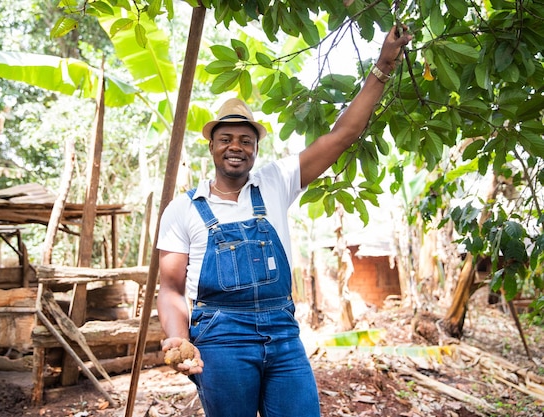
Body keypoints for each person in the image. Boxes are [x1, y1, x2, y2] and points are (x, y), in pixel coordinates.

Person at [156, 26, 411, 417]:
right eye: (226, 139)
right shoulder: (182, 209)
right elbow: (171, 288)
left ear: (257, 149)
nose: (236, 147)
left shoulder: (275, 182)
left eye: (246, 140)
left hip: (282, 332)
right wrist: (176, 338)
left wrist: (384, 62)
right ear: (211, 146)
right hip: (220, 337)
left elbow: (343, 134)